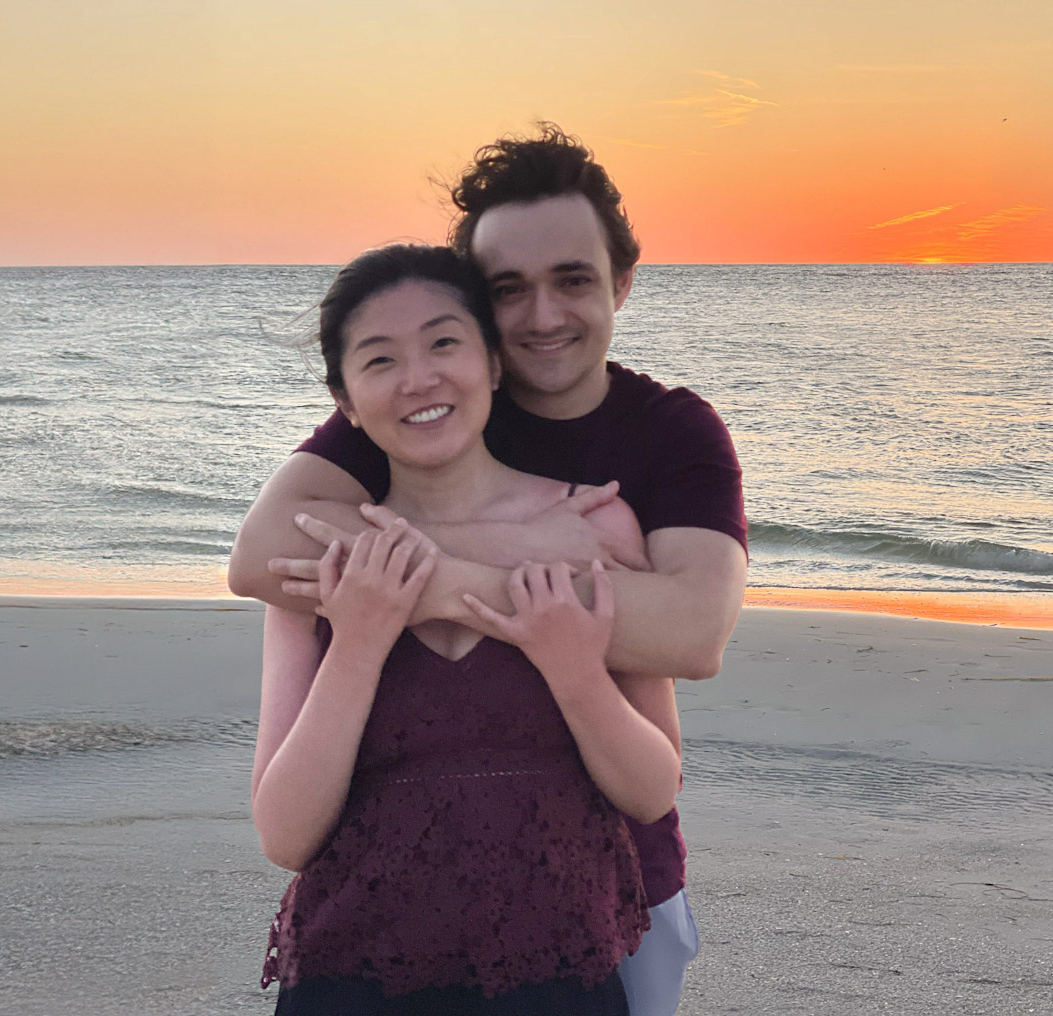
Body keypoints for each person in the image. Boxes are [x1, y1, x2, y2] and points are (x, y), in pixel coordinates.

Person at [229, 126, 747, 1016]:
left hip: (605, 897)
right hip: (368, 938)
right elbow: (261, 553)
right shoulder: (419, 403)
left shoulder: (665, 440)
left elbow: (694, 634)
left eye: (574, 279)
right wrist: (537, 562)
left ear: (622, 280)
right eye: (509, 290)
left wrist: (456, 570)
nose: (544, 316)